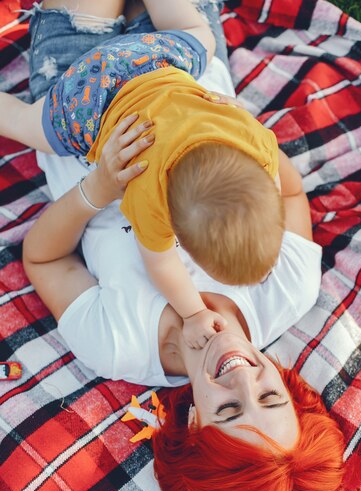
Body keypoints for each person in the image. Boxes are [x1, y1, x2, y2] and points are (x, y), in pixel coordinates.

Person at [22, 111, 345, 491]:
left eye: (230, 410)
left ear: (194, 424)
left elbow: (44, 261)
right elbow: (287, 190)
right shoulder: (288, 290)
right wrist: (234, 124)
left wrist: (96, 191)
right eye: (270, 397)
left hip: (77, 113)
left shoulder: (117, 344)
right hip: (187, 73)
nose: (242, 378)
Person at [0, 0, 289, 351]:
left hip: (154, 58)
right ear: (178, 230)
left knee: (200, 37)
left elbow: (272, 176)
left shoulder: (251, 138)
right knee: (27, 123)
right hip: (88, 98)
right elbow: (162, 263)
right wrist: (194, 313)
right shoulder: (150, 189)